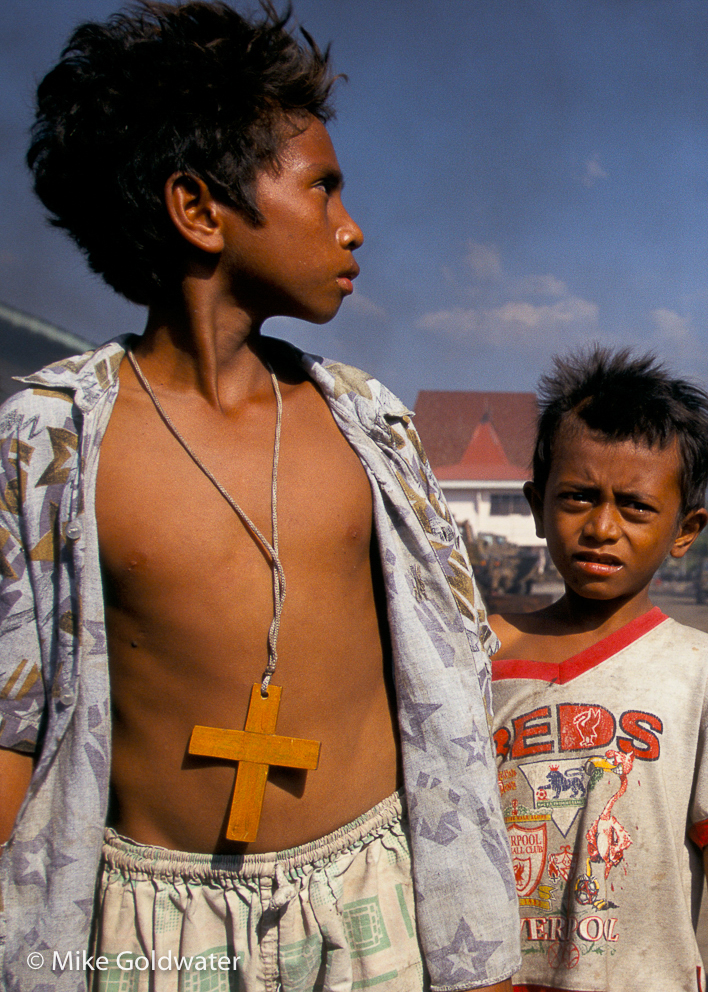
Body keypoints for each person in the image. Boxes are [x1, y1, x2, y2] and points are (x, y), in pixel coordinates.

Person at [0, 3, 519, 988]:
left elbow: (454, 651)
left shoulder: (365, 423)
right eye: (322, 187)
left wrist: (476, 945)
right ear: (198, 210)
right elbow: (9, 712)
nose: (350, 224)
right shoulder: (54, 437)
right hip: (152, 928)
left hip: (370, 908)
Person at [488, 348, 708, 992]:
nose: (602, 527)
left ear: (686, 529)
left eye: (635, 507)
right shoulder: (485, 654)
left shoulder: (699, 668)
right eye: (577, 497)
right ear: (537, 505)